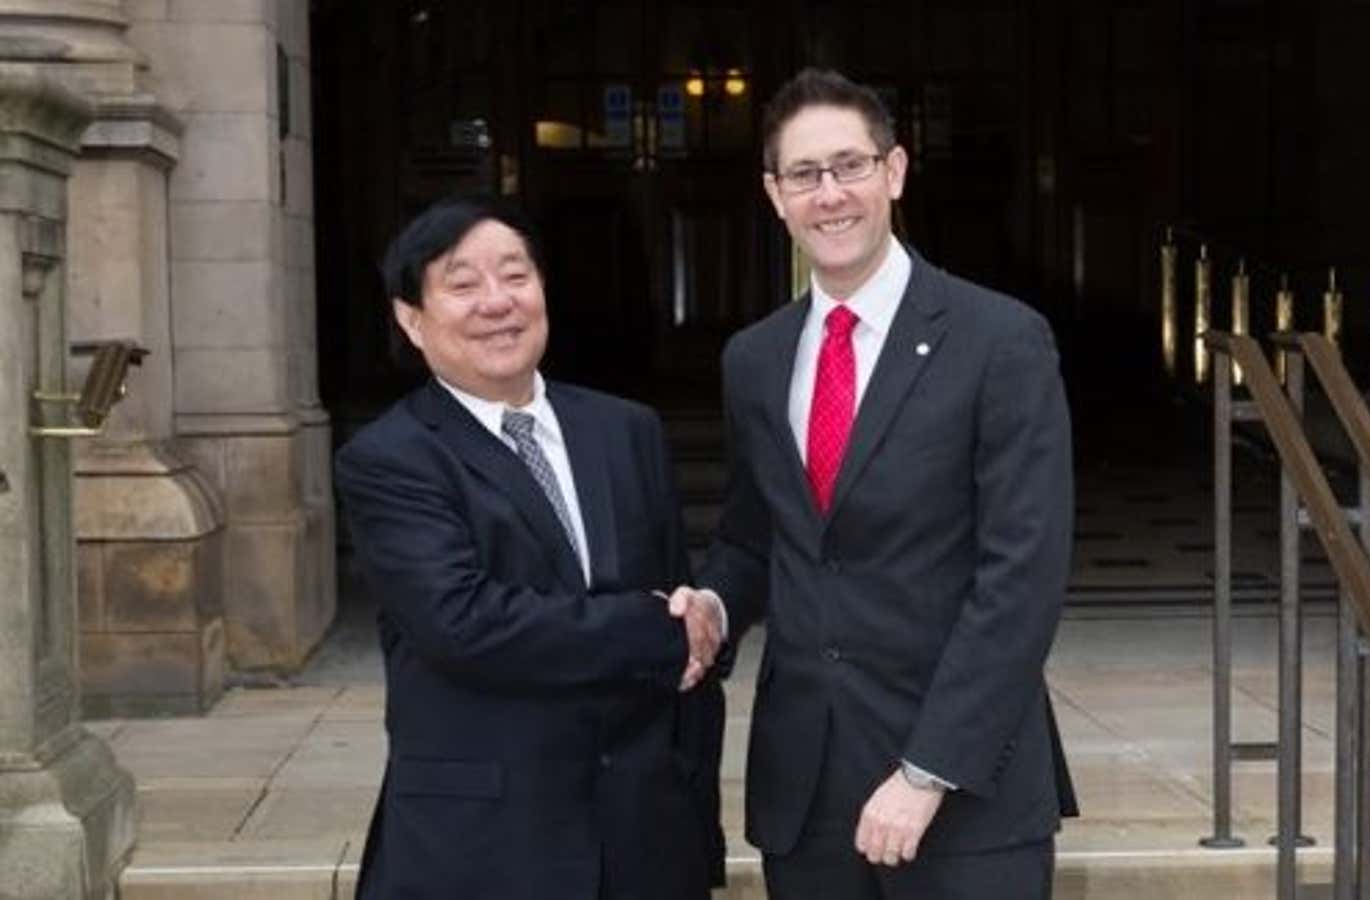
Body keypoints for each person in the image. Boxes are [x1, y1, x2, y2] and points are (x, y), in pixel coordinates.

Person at [685, 67, 1077, 899]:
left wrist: (928, 771)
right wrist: (713, 609)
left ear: (894, 172)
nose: (830, 195)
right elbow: (756, 537)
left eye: (850, 166)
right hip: (809, 794)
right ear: (774, 194)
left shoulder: (1000, 341)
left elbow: (1023, 577)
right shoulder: (754, 360)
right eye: (804, 174)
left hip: (967, 792)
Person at [336, 194, 726, 900]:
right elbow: (464, 623)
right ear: (410, 318)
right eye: (462, 284)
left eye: (516, 276)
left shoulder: (625, 430)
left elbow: (688, 636)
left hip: (646, 841)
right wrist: (653, 627)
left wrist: (696, 822)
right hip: (485, 848)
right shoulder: (391, 458)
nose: (498, 302)